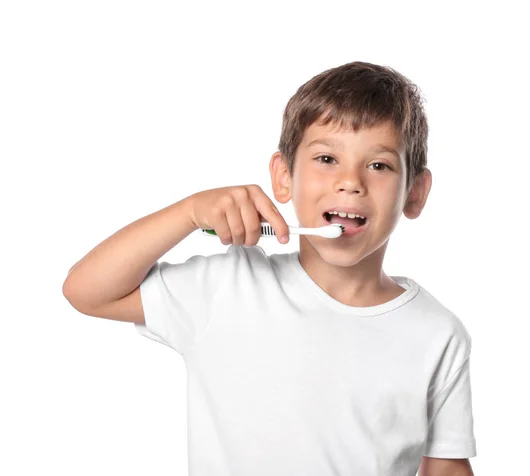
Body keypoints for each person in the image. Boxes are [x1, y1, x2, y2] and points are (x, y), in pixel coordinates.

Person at [63, 61, 476, 476]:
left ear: (415, 193)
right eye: (327, 158)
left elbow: (446, 469)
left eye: (379, 165)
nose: (350, 182)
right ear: (283, 177)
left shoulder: (437, 333)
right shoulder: (228, 287)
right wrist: (187, 213)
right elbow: (87, 291)